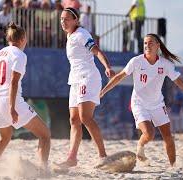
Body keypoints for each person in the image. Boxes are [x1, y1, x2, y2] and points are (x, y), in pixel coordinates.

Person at [100, 33, 183, 167]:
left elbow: (178, 81)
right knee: (149, 133)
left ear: (157, 46)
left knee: (168, 137)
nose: (147, 45)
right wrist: (103, 91)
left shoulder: (165, 64)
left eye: (150, 43)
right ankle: (140, 146)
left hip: (157, 104)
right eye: (145, 43)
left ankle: (173, 166)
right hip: (139, 104)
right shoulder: (136, 61)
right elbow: (119, 77)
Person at [0, 22, 51, 171]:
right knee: (45, 135)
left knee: (5, 138)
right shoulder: (20, 54)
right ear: (22, 39)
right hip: (9, 102)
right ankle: (42, 171)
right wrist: (12, 108)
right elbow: (14, 82)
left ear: (9, 39)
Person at [57, 7, 115, 168]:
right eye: (61, 19)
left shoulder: (82, 34)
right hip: (75, 80)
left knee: (85, 118)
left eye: (67, 19)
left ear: (76, 20)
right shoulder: (70, 35)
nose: (63, 21)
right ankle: (72, 158)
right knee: (74, 120)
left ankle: (103, 155)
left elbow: (97, 51)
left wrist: (107, 67)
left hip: (87, 78)